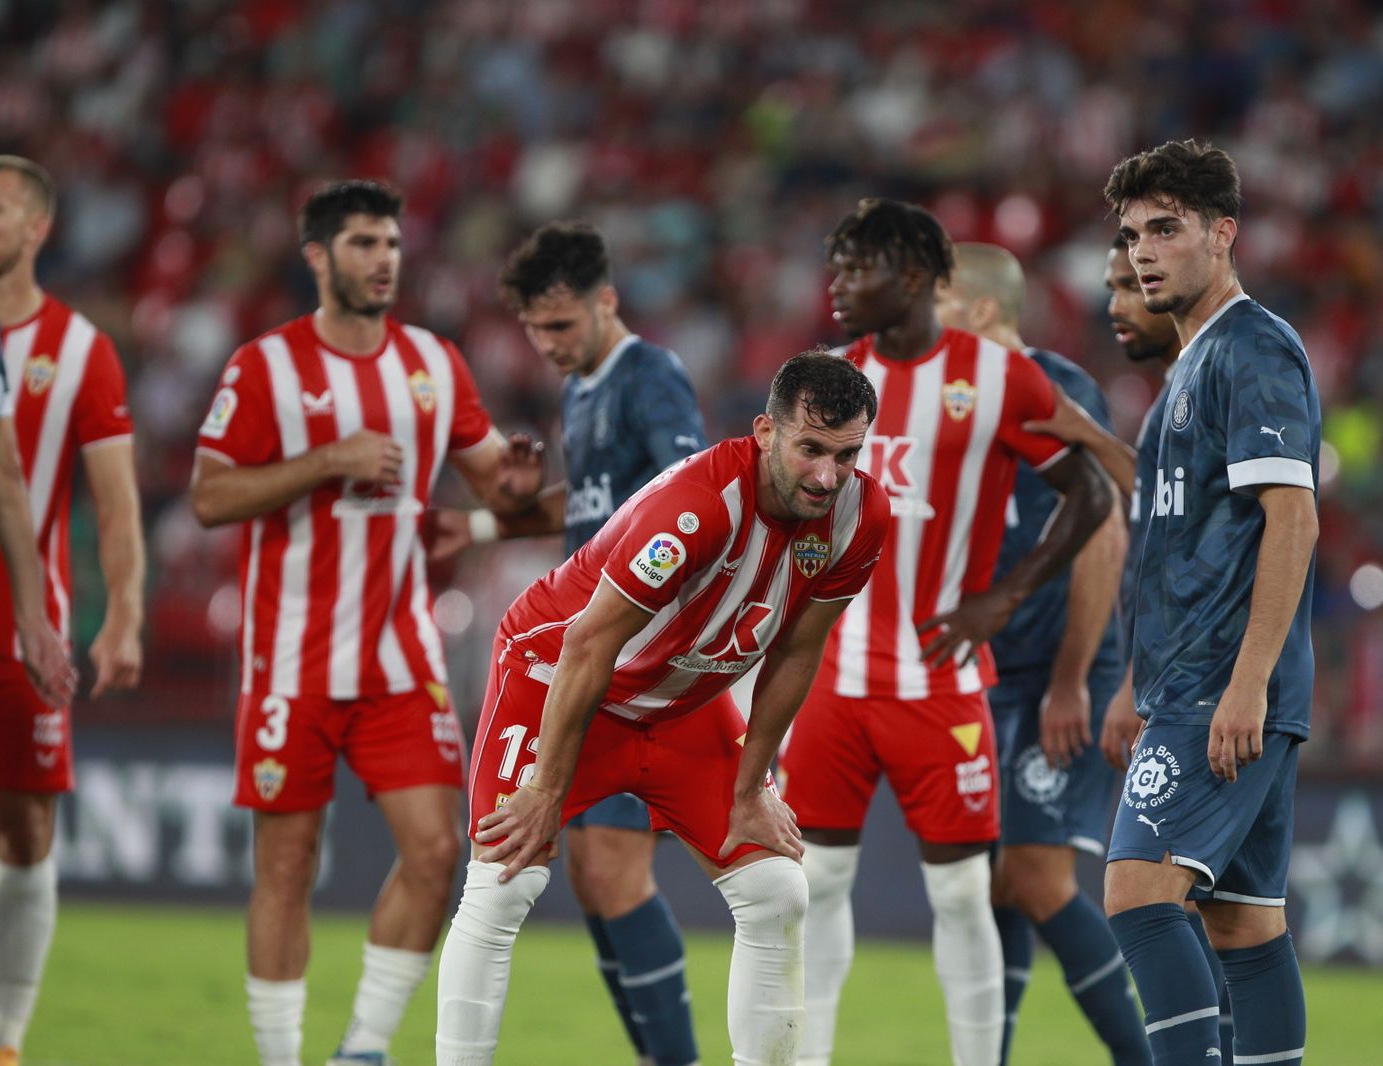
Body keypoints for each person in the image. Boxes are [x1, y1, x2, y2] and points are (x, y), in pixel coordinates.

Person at [434, 350, 891, 1066]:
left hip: (680, 701)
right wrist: (546, 789)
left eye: (846, 454)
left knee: (777, 890)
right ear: (765, 432)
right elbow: (588, 643)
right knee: (502, 881)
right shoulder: (697, 507)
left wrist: (752, 788)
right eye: (811, 449)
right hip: (560, 677)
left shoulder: (862, 514)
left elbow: (799, 653)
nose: (828, 476)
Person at [189, 179, 548, 1066]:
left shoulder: (432, 363)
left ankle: (363, 1049)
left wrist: (514, 486)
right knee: (287, 865)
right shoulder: (265, 367)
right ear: (317, 256)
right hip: (291, 659)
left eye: (390, 242)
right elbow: (209, 496)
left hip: (400, 655)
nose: (383, 259)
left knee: (438, 850)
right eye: (362, 243)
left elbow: (496, 486)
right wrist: (326, 461)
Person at [781, 199, 1115, 1066]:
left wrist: (1005, 595)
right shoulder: (827, 377)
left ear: (916, 277)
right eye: (837, 266)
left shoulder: (998, 377)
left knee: (966, 894)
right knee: (816, 883)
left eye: (859, 268)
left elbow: (1094, 494)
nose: (838, 283)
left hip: (939, 677)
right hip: (832, 679)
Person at [431, 220, 709, 1066]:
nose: (547, 344)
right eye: (534, 330)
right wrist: (496, 516)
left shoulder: (650, 375)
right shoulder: (582, 390)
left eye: (560, 324)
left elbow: (689, 496)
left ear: (606, 301)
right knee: (591, 883)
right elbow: (596, 509)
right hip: (584, 656)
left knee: (616, 875)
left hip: (637, 658)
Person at [1097, 140, 1318, 1066]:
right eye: (1132, 235)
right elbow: (1175, 550)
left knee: (1138, 898)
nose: (1144, 252)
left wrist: (1247, 683)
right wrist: (1133, 682)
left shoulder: (1252, 347)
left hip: (1221, 686)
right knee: (1243, 927)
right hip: (1194, 683)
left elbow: (1293, 519)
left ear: (1223, 233)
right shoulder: (1192, 363)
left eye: (1166, 229)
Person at [934, 242, 1145, 1066]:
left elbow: (1102, 536)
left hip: (1060, 669)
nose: (925, 320)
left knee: (1037, 878)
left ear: (982, 311)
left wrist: (1069, 682)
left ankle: (1147, 1055)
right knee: (996, 884)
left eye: (939, 303)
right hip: (989, 673)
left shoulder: (1055, 390)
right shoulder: (955, 400)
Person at [0, 155, 131, 1066]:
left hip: (16, 621)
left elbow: (111, 502)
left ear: (37, 228)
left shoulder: (80, 350)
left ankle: (3, 1039)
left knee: (26, 831)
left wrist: (124, 613)